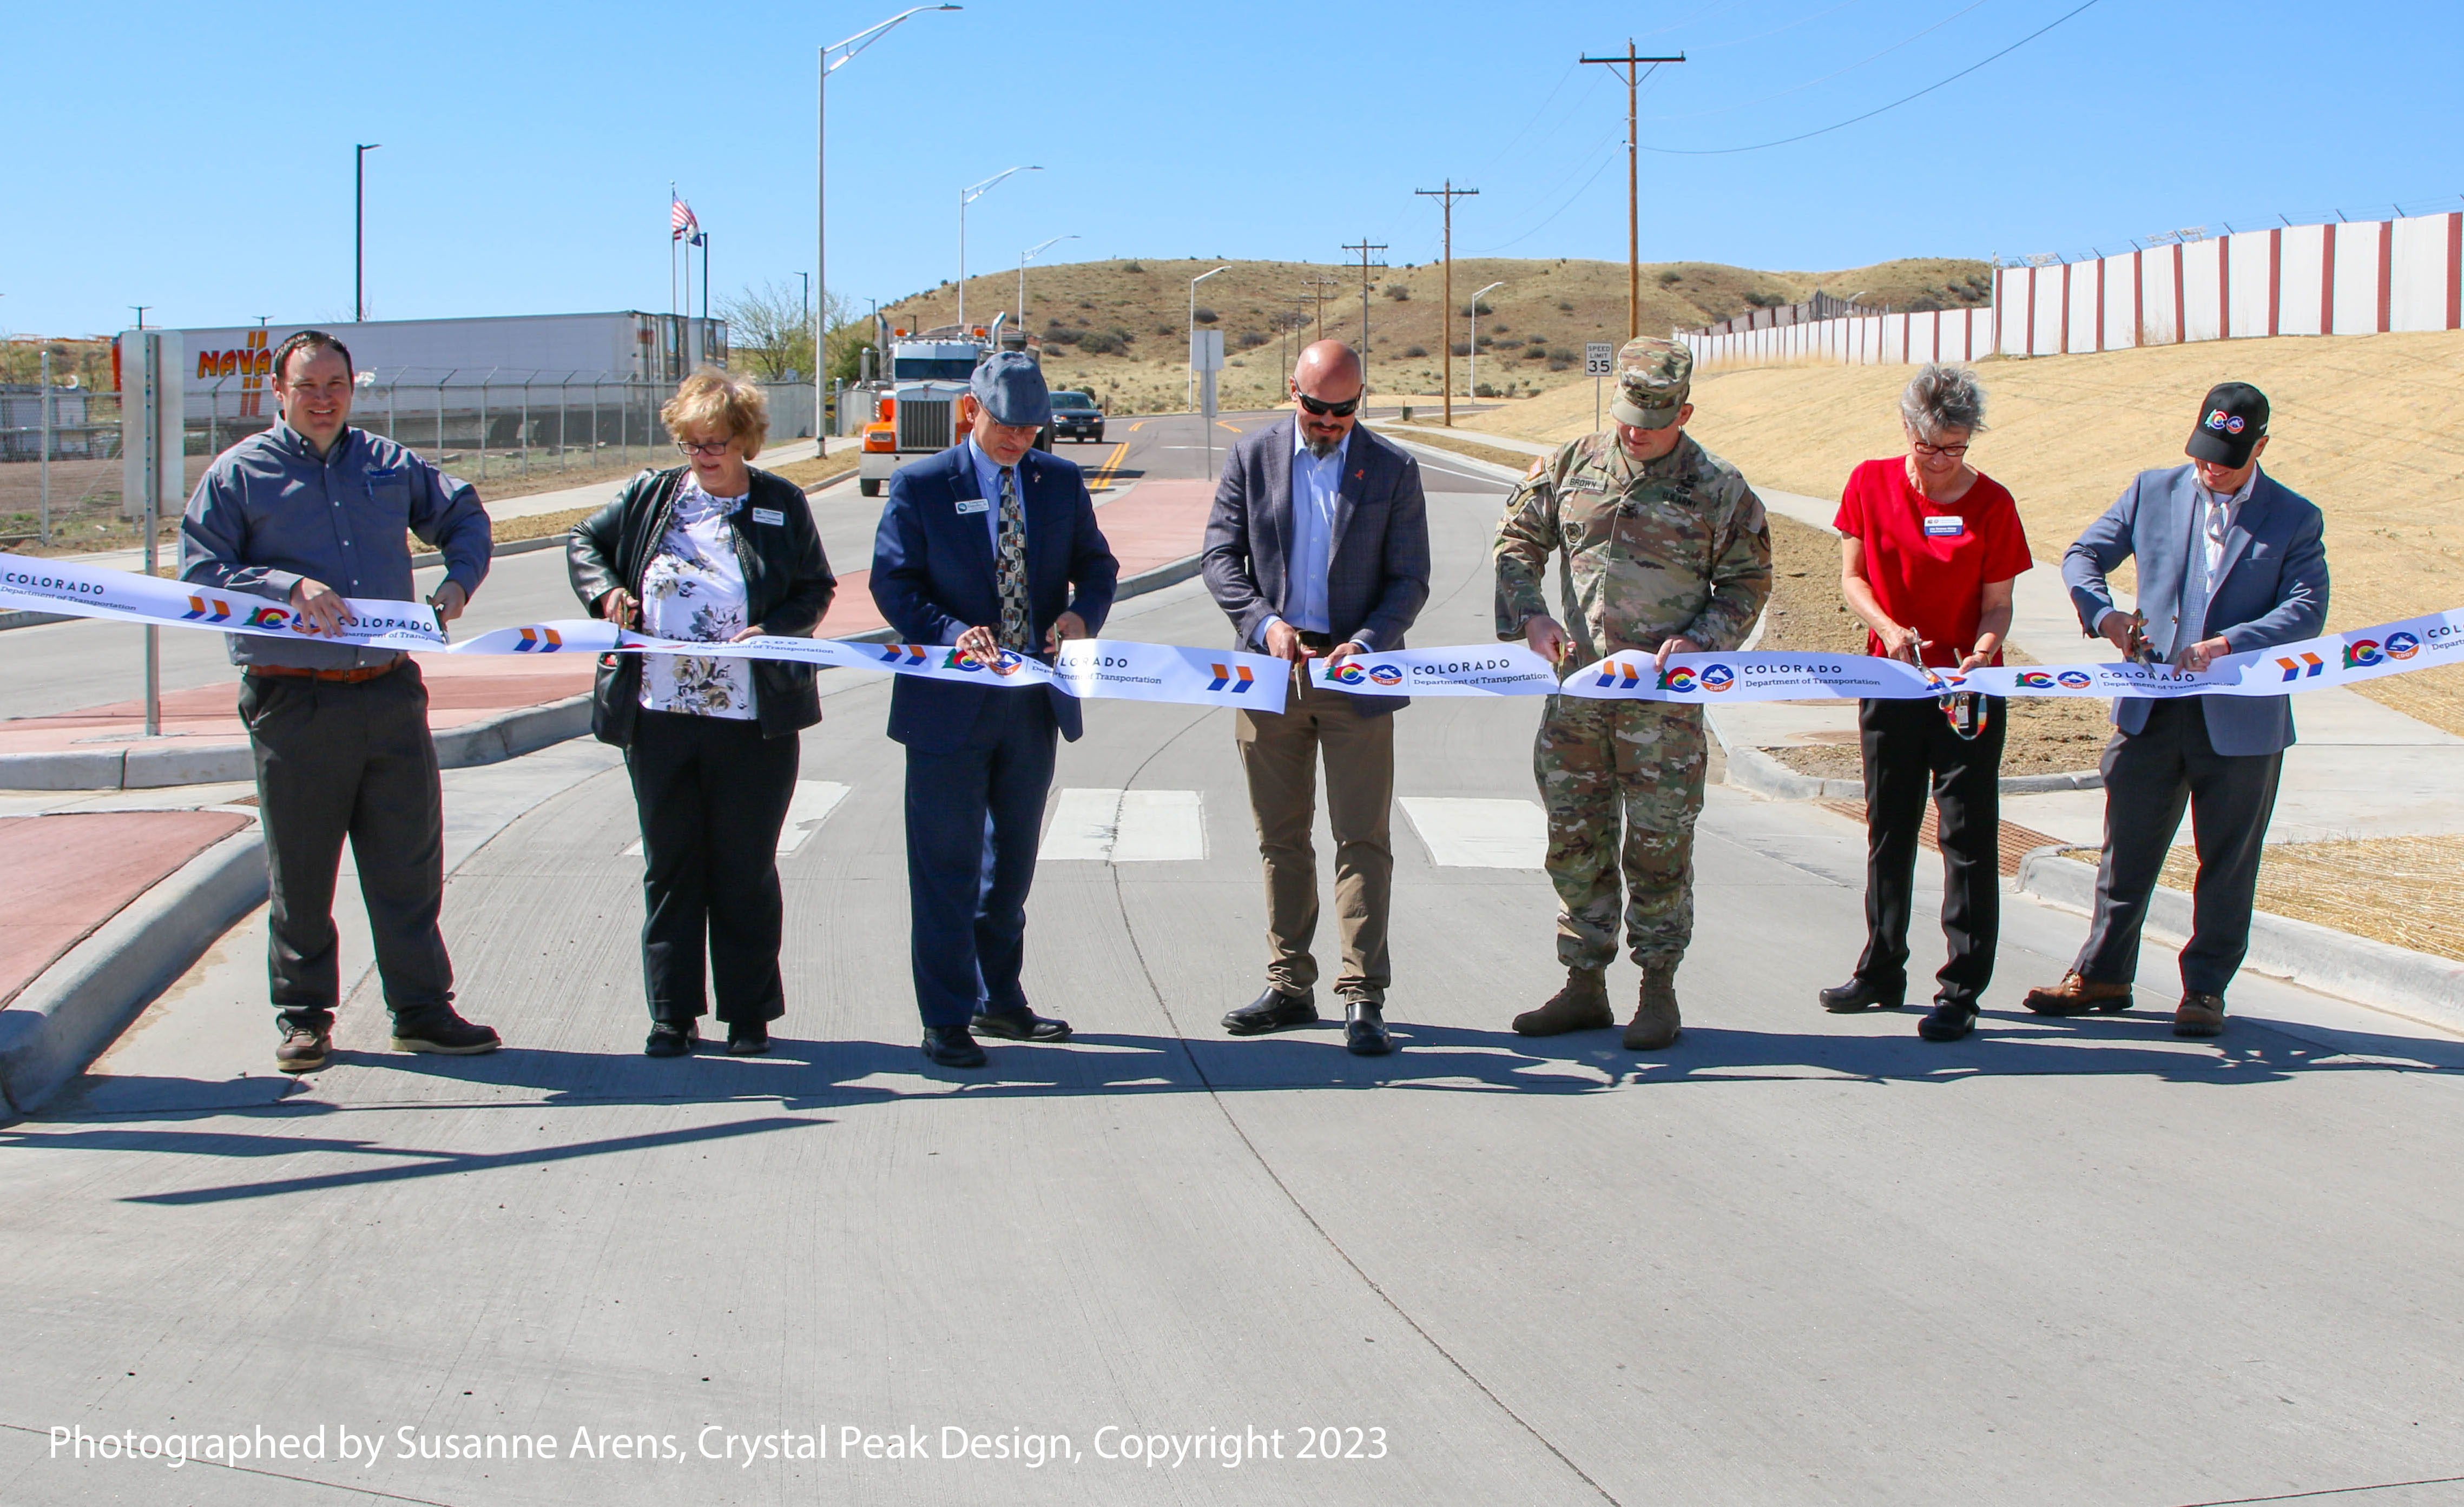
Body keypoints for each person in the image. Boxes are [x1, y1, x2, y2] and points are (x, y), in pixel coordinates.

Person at [179, 329, 498, 1073]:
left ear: (353, 389)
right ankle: (304, 1015)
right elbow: (201, 567)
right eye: (307, 387)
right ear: (277, 393)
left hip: (387, 691)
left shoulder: (389, 465)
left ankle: (421, 1010)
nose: (322, 400)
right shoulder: (239, 475)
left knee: (407, 863)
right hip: (295, 702)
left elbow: (464, 516)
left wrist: (458, 579)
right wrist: (284, 588)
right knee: (302, 866)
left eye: (336, 386)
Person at [2024, 383, 2327, 1038]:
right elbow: (2083, 556)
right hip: (2152, 710)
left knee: (2227, 861)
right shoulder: (2152, 491)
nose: (2209, 468)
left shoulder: (2295, 517)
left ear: (2261, 447)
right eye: (2202, 452)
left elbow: (2306, 608)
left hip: (2242, 719)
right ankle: (2102, 972)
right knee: (2125, 850)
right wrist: (2104, 616)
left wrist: (2228, 644)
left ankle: (2206, 990)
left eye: (2226, 456)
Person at [1493, 338, 1771, 1051]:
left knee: (1658, 847)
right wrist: (1529, 612)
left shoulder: (1718, 488)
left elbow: (1745, 583)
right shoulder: (1570, 463)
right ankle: (1583, 983)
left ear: (1684, 410)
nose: (1634, 431)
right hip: (1576, 700)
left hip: (1662, 710)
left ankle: (1657, 990)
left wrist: (1703, 640)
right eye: (1625, 416)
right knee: (1575, 840)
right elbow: (1516, 542)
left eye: (1652, 420)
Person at [568, 370, 835, 1058]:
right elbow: (583, 543)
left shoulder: (781, 502)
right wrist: (607, 595)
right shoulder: (652, 496)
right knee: (671, 866)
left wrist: (775, 627)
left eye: (716, 442)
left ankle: (749, 1013)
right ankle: (673, 1013)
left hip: (753, 718)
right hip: (659, 715)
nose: (703, 455)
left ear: (745, 438)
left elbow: (816, 586)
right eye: (691, 443)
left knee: (744, 867)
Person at [871, 352, 1119, 1069]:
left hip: (1030, 704)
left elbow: (1097, 566)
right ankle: (945, 1016)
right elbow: (895, 583)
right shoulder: (922, 484)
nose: (1017, 439)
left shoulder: (1058, 481)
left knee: (1009, 865)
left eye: (1030, 428)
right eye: (1005, 425)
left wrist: (1079, 616)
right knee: (945, 865)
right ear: (971, 412)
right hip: (947, 706)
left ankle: (999, 998)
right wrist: (952, 633)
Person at [1201, 340, 1431, 1055]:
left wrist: (1363, 643)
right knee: (1280, 836)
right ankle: (1289, 984)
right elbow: (1218, 556)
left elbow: (1409, 578)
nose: (1328, 422)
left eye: (1343, 411)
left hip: (1353, 678)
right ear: (1290, 393)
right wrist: (1264, 625)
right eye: (1315, 408)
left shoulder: (1392, 469)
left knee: (1362, 837)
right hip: (1271, 675)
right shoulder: (1253, 456)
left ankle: (1363, 994)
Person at [1819, 365, 2033, 1043]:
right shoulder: (1869, 482)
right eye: (1931, 445)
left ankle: (1962, 987)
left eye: (1958, 448)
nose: (1942, 461)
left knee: (1966, 836)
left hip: (1967, 688)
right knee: (1890, 826)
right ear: (1906, 429)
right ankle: (1882, 967)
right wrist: (1887, 629)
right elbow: (1852, 577)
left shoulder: (1993, 503)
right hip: (1892, 679)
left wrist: (1985, 647)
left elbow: (1998, 601)